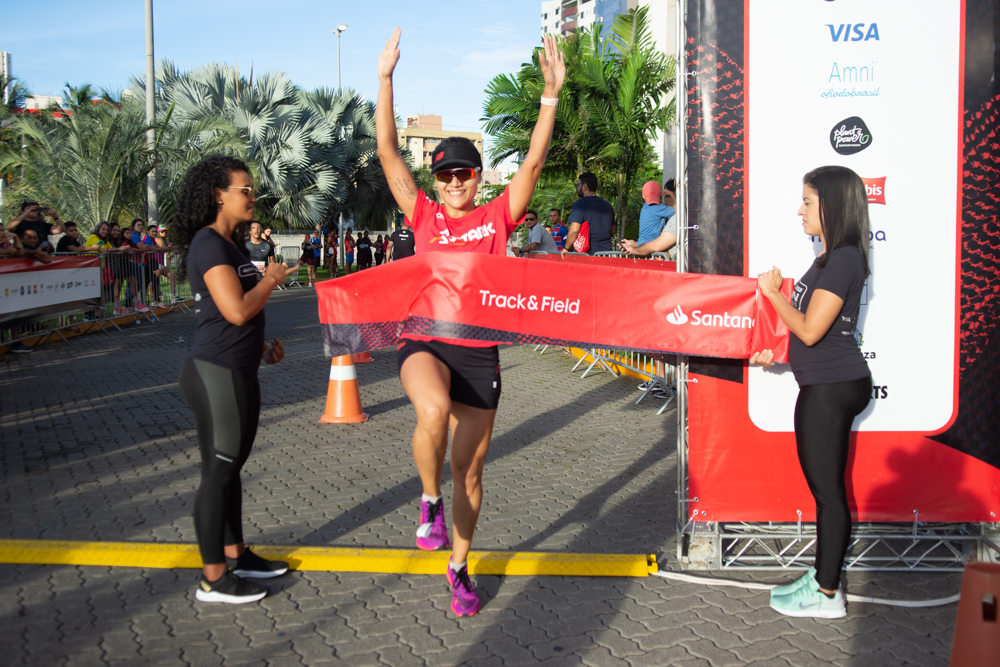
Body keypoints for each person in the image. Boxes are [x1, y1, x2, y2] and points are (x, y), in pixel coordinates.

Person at [376, 27, 565, 617]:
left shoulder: (497, 217)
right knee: (432, 411)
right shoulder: (423, 214)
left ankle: (458, 566)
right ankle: (427, 501)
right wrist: (384, 79)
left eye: (464, 174)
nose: (454, 182)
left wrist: (551, 96)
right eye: (445, 175)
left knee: (472, 472)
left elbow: (533, 160)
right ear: (434, 181)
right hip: (424, 341)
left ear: (479, 177)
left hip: (479, 352)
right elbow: (388, 152)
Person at [172, 155, 298, 604]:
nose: (252, 197)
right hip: (216, 372)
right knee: (219, 473)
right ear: (218, 196)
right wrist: (271, 279)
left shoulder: (230, 245)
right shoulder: (208, 244)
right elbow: (237, 310)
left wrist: (261, 348)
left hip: (237, 368)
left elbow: (232, 316)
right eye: (245, 190)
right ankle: (214, 579)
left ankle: (237, 555)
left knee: (229, 470)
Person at [750, 165, 872, 620]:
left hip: (831, 387)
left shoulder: (842, 259)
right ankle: (823, 575)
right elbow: (809, 336)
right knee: (825, 492)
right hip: (826, 380)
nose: (799, 211)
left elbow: (810, 329)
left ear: (833, 205)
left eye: (807, 201)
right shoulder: (829, 258)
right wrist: (777, 357)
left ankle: (827, 594)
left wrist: (772, 294)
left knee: (828, 495)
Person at [563, 172, 615, 255]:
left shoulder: (580, 204)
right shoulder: (607, 205)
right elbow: (612, 232)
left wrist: (566, 248)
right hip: (606, 254)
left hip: (588, 255)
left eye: (578, 185)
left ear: (584, 186)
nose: (577, 188)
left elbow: (574, 230)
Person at [635, 181, 675, 248]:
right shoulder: (659, 208)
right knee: (667, 254)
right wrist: (671, 194)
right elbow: (678, 210)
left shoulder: (644, 208)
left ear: (643, 196)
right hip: (652, 244)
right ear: (660, 195)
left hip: (641, 243)